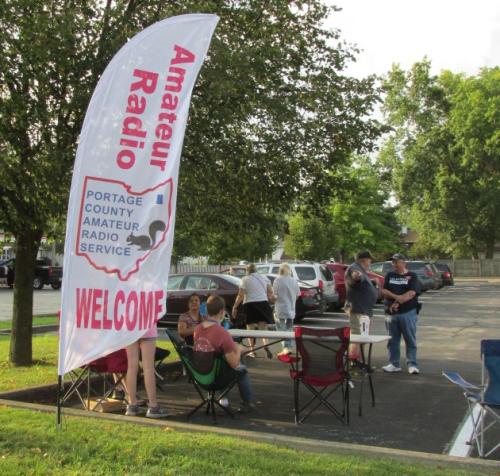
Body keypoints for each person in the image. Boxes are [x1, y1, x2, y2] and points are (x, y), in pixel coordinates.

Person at [194, 295, 255, 412]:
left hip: (200, 374)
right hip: (216, 377)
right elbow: (234, 364)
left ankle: (224, 401)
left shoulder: (197, 329)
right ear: (222, 312)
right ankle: (246, 403)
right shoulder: (222, 333)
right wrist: (238, 349)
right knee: (242, 370)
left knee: (222, 363)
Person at [381, 253, 422, 375]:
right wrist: (396, 298)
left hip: (407, 312)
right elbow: (384, 291)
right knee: (392, 339)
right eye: (392, 262)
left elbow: (412, 293)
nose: (394, 264)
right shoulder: (390, 275)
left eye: (396, 261)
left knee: (410, 338)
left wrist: (397, 303)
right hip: (390, 313)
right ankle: (394, 364)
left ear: (404, 262)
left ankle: (412, 365)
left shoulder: (412, 276)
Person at [125, 323, 169, 418]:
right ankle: (153, 406)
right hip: (147, 327)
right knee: (148, 368)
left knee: (131, 367)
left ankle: (132, 405)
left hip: (130, 328)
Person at [232, 263, 275, 358]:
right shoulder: (264, 278)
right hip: (263, 303)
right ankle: (266, 345)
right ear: (256, 270)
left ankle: (252, 350)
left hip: (250, 304)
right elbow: (270, 293)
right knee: (263, 328)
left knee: (250, 328)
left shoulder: (245, 279)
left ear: (247, 271)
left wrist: (235, 307)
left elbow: (241, 295)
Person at [344, 251, 379, 364]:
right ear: (363, 260)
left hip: (363, 309)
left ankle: (357, 359)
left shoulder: (360, 269)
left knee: (362, 336)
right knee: (356, 336)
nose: (370, 262)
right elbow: (355, 278)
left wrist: (372, 283)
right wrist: (356, 277)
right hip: (358, 309)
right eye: (369, 260)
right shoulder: (355, 268)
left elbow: (362, 283)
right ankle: (353, 361)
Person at [272, 263, 300, 356]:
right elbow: (298, 295)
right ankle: (288, 347)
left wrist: (271, 299)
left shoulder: (278, 280)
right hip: (291, 309)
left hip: (280, 308)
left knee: (281, 329)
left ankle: (285, 348)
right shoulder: (293, 280)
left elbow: (274, 296)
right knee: (289, 329)